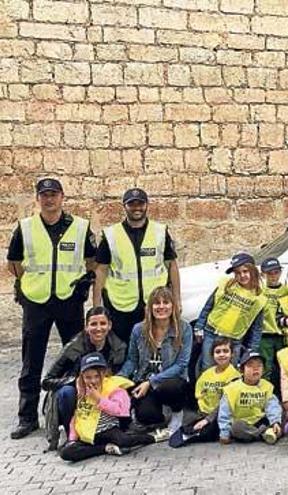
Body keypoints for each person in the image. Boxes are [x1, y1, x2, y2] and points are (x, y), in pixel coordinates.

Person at [8, 178, 96, 439]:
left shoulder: (80, 227)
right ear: (38, 198)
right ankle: (27, 417)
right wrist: (27, 285)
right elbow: (13, 262)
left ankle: (78, 409)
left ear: (62, 197)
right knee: (31, 359)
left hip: (69, 300)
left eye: (54, 194)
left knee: (75, 357)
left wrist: (83, 281)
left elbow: (92, 260)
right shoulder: (25, 228)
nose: (49, 199)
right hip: (37, 303)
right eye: (44, 195)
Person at [92, 188, 180, 344]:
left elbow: (172, 266)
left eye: (140, 203)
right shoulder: (111, 234)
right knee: (123, 350)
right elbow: (101, 271)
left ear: (147, 205)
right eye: (132, 204)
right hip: (120, 305)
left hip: (153, 304)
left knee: (153, 347)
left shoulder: (160, 232)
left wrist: (177, 300)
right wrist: (96, 307)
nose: (137, 208)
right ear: (124, 207)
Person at [42, 306, 127, 446]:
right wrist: (74, 381)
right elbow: (46, 381)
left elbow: (119, 376)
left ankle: (114, 428)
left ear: (110, 325)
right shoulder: (73, 347)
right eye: (93, 324)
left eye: (103, 323)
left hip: (104, 393)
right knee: (66, 393)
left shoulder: (119, 347)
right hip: (77, 393)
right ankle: (72, 436)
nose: (98, 328)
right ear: (86, 327)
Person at [59, 353, 165, 462]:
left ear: (103, 373)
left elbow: (119, 410)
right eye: (88, 377)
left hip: (108, 430)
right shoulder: (81, 389)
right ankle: (104, 449)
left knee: (124, 441)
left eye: (96, 376)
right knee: (66, 453)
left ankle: (152, 438)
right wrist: (72, 439)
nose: (93, 381)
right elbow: (77, 416)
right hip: (88, 434)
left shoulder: (114, 388)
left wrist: (99, 399)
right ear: (82, 376)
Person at [120, 286, 193, 433]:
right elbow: (132, 360)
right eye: (156, 303)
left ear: (173, 306)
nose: (161, 306)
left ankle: (177, 412)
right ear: (150, 307)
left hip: (171, 380)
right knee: (146, 416)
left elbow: (181, 364)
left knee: (171, 388)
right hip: (144, 380)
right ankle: (158, 411)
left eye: (166, 302)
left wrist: (151, 382)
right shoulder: (138, 330)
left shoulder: (184, 328)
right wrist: (120, 377)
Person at [195, 252, 266, 371]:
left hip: (234, 340)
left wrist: (252, 348)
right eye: (237, 273)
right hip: (212, 333)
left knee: (231, 372)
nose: (242, 275)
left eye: (245, 271)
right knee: (207, 367)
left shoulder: (259, 298)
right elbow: (208, 306)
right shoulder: (226, 285)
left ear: (253, 271)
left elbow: (257, 327)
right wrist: (199, 326)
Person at [169, 337, 240, 447]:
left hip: (223, 416)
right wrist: (203, 414)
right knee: (192, 425)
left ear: (232, 354)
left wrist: (207, 419)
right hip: (205, 413)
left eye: (225, 351)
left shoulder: (234, 376)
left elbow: (226, 404)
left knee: (208, 431)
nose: (222, 355)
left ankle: (193, 435)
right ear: (212, 355)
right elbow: (200, 395)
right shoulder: (206, 374)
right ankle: (189, 431)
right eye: (218, 352)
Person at [217, 351, 282, 445]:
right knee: (236, 427)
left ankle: (269, 431)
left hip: (260, 420)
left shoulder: (266, 386)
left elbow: (272, 406)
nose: (255, 369)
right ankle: (264, 433)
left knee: (281, 413)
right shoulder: (232, 388)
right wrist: (224, 433)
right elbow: (224, 413)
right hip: (243, 423)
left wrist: (275, 422)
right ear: (242, 370)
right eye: (250, 365)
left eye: (259, 366)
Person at [258, 258, 288, 390]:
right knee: (266, 366)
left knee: (283, 366)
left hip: (282, 334)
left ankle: (283, 394)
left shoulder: (286, 291)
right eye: (269, 273)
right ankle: (265, 393)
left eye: (276, 272)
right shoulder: (261, 291)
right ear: (263, 275)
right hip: (265, 333)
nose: (273, 276)